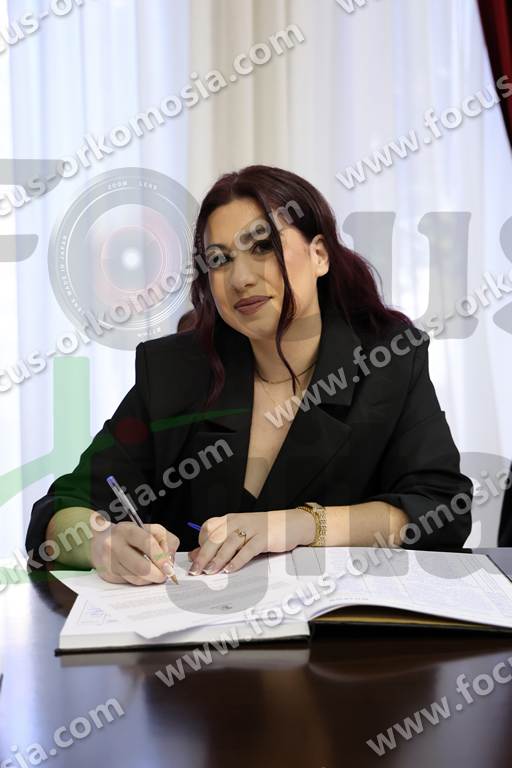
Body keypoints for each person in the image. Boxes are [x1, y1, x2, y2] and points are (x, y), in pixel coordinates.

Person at [25, 164, 473, 585]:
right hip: (194, 629)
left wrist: (303, 524)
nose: (240, 278)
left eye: (262, 246)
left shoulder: (387, 360)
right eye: (219, 260)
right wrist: (102, 543)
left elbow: (443, 509)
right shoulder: (175, 371)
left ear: (319, 255)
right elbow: (59, 511)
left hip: (337, 632)